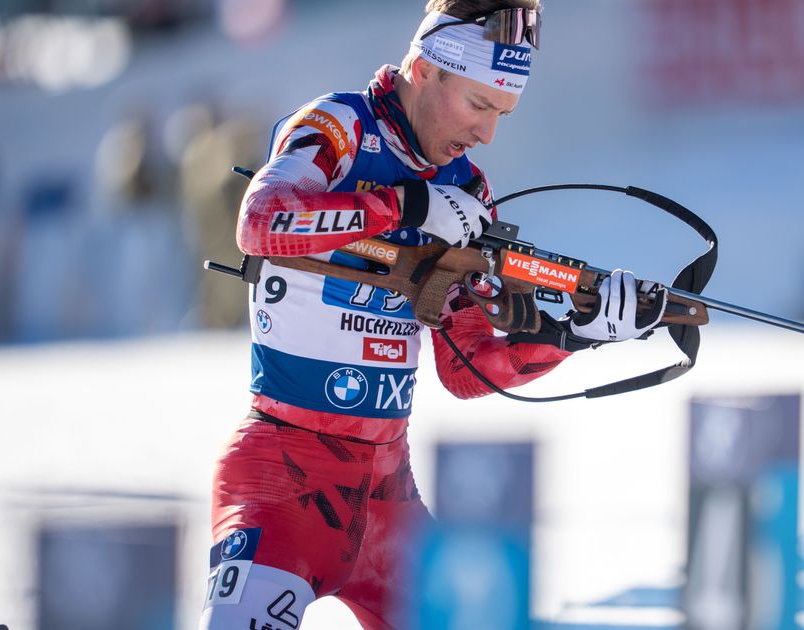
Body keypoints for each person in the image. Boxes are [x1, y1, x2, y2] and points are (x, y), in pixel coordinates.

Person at [199, 2, 667, 628]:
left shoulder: (468, 189)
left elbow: (470, 369)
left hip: (389, 496)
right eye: (479, 105)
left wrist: (574, 334)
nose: (488, 134)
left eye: (503, 114)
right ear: (424, 69)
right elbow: (259, 223)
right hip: (283, 480)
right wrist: (406, 203)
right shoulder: (339, 127)